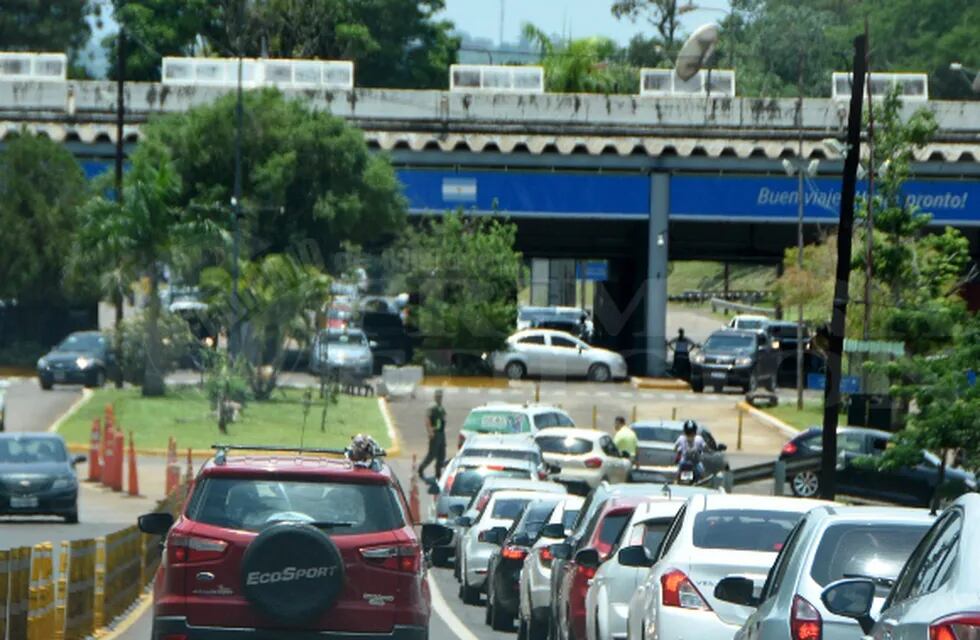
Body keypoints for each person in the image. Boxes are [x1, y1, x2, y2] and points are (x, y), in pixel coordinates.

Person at [418, 389, 447, 480]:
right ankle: (421, 468)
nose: (439, 398)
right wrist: (430, 432)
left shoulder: (440, 407)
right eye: (438, 396)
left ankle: (438, 473)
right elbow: (427, 419)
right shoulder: (432, 407)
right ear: (434, 396)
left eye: (440, 396)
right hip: (435, 433)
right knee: (432, 454)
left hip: (441, 433)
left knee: (442, 454)